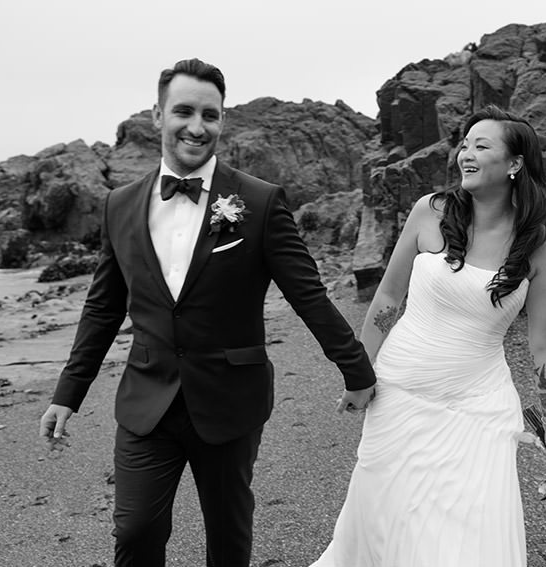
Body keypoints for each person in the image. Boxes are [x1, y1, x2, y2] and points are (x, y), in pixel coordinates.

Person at [38, 58, 376, 567]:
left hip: (230, 397)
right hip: (147, 397)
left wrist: (356, 371)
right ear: (158, 115)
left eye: (210, 115)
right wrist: (68, 394)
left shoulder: (259, 202)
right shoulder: (119, 205)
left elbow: (308, 294)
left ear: (222, 120)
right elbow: (103, 307)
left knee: (227, 530)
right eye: (184, 112)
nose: (197, 127)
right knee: (135, 531)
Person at [310, 105, 546, 567]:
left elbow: (544, 341)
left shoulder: (538, 243)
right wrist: (358, 375)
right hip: (399, 396)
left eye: (481, 146)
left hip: (478, 408)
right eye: (464, 145)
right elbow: (388, 297)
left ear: (514, 163)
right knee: (385, 521)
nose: (465, 154)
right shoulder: (429, 212)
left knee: (466, 534)